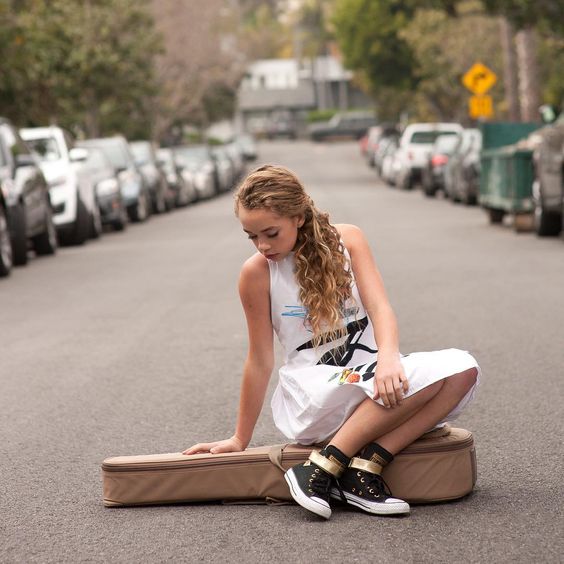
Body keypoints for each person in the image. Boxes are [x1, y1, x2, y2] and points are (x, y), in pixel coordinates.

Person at [183, 165, 480, 520]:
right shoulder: (256, 273)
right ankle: (319, 468)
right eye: (252, 236)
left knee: (463, 369)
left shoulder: (349, 240)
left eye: (271, 233)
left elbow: (380, 308)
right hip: (315, 392)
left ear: (298, 217)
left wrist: (389, 358)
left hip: (371, 376)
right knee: (404, 382)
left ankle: (365, 467)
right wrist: (239, 438)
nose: (262, 245)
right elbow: (259, 360)